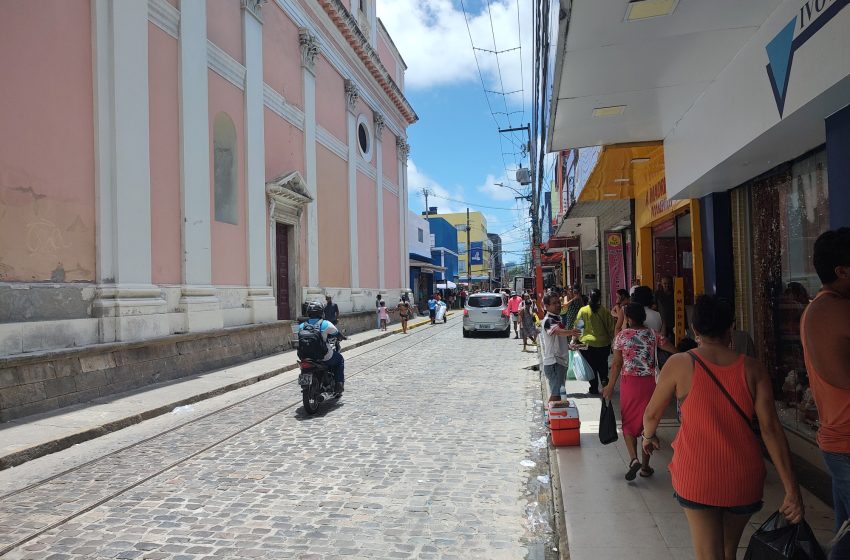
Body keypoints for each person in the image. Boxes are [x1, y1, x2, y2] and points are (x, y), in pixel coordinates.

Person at [642, 295, 803, 560]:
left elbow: (651, 414)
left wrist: (648, 438)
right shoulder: (753, 369)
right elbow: (771, 430)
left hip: (698, 475)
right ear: (731, 328)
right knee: (729, 552)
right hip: (743, 476)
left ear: (695, 330)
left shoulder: (680, 364)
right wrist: (791, 489)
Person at [800, 227, 850, 558]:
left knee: (845, 538)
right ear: (842, 272)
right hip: (847, 442)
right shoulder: (835, 311)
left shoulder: (818, 309)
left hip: (838, 442)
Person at [603, 303, 673, 480]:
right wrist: (684, 354)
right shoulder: (652, 334)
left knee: (628, 423)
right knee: (647, 424)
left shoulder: (622, 336)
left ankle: (634, 459)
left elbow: (617, 364)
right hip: (649, 384)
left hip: (629, 384)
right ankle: (645, 467)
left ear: (629, 318)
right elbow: (668, 346)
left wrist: (610, 386)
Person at [540, 293, 580, 402]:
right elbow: (556, 332)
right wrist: (571, 332)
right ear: (547, 306)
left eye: (558, 302)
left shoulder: (557, 319)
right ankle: (549, 418)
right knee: (556, 395)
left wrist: (569, 346)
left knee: (558, 394)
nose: (558, 305)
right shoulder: (548, 320)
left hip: (560, 362)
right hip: (554, 363)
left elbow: (557, 341)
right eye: (554, 303)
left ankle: (552, 417)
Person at [299, 302, 345, 394]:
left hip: (305, 357)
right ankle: (339, 384)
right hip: (323, 356)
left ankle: (308, 384)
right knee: (340, 359)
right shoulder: (325, 324)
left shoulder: (302, 325)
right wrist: (342, 337)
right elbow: (336, 333)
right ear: (321, 312)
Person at [575, 289, 615, 395]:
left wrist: (574, 340)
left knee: (591, 367)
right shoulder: (605, 311)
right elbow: (611, 328)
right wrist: (613, 341)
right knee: (603, 364)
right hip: (603, 343)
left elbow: (578, 328)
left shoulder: (583, 311)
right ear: (599, 298)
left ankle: (593, 388)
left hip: (587, 345)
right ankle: (604, 382)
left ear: (589, 297)